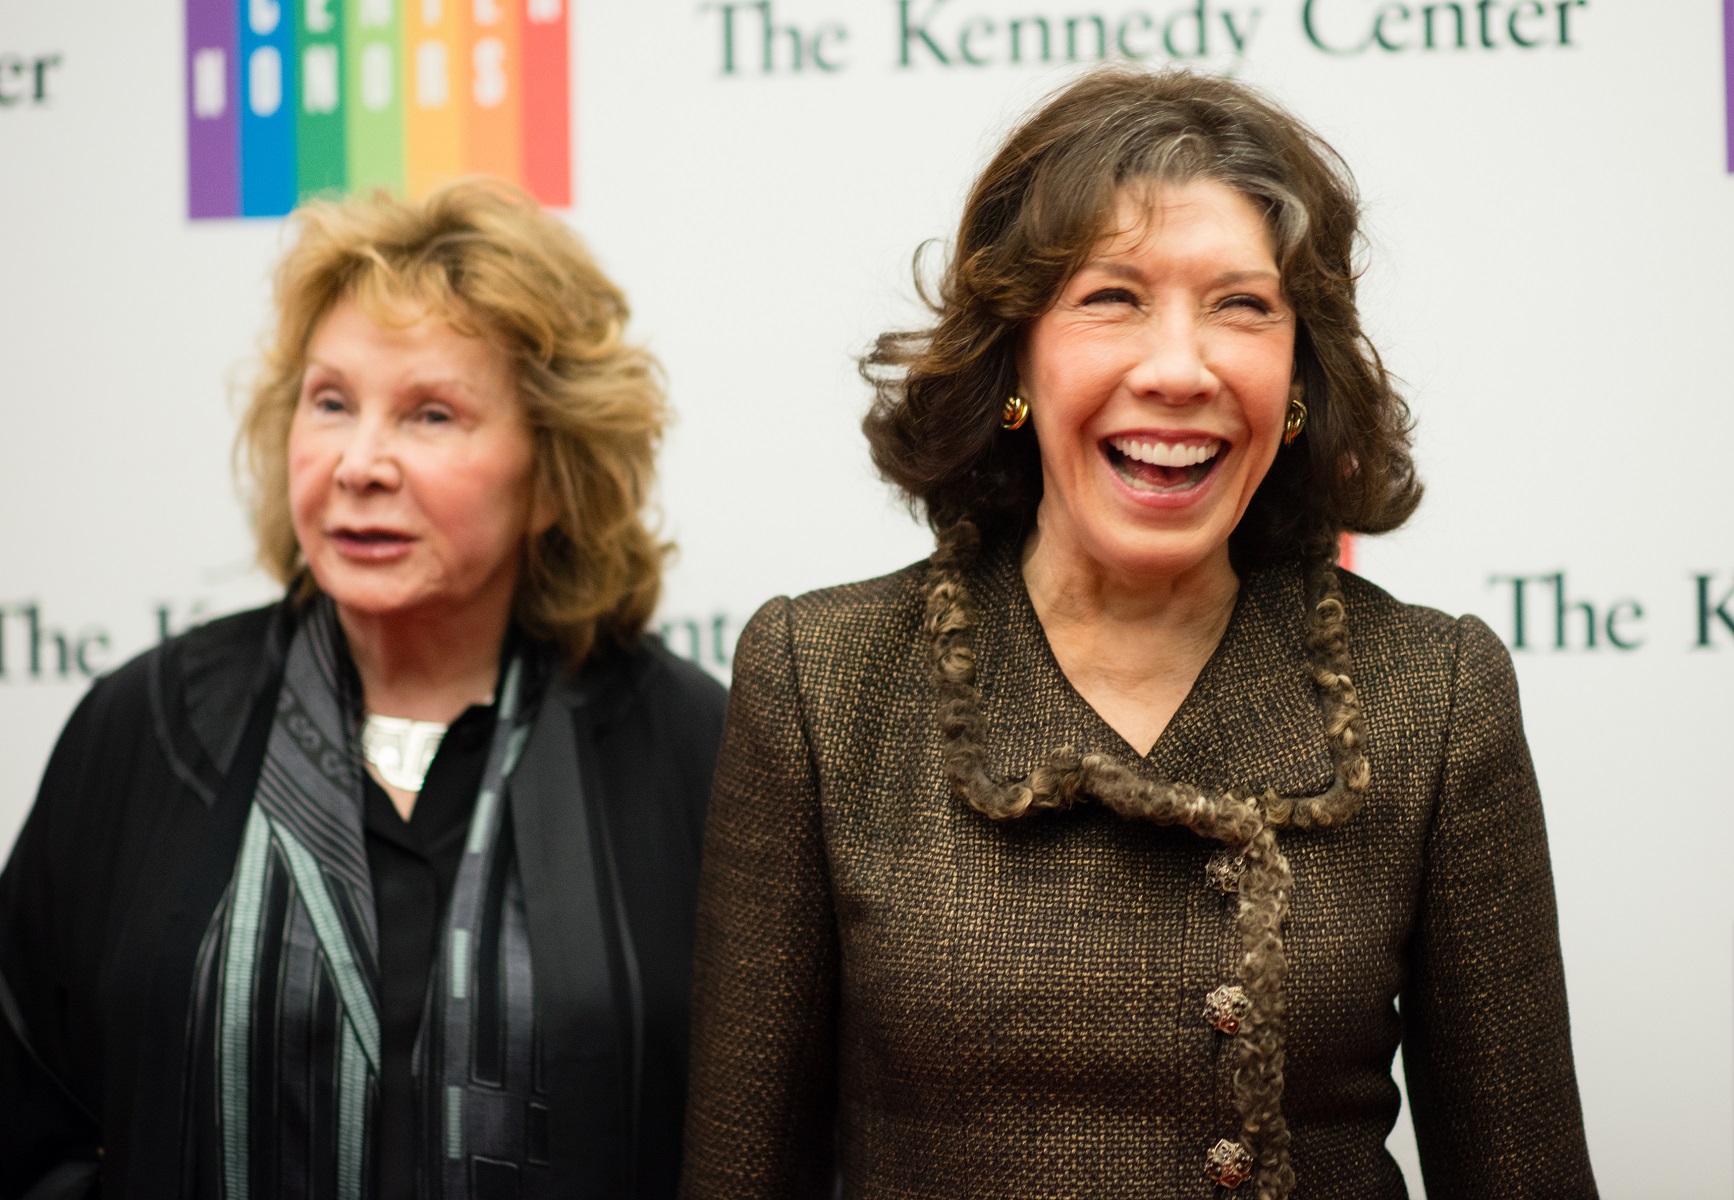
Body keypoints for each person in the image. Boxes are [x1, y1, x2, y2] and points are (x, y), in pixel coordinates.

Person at [680, 68, 1597, 1200]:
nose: (1178, 368)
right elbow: (737, 1173)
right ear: (1016, 358)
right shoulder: (823, 680)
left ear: (1299, 379)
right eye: (1111, 297)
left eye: (1242, 305)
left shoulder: (1432, 691)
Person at [0, 180, 725, 1200]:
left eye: (431, 414)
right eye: (330, 402)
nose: (359, 462)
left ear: (555, 474)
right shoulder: (151, 726)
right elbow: (30, 1117)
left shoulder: (692, 752)